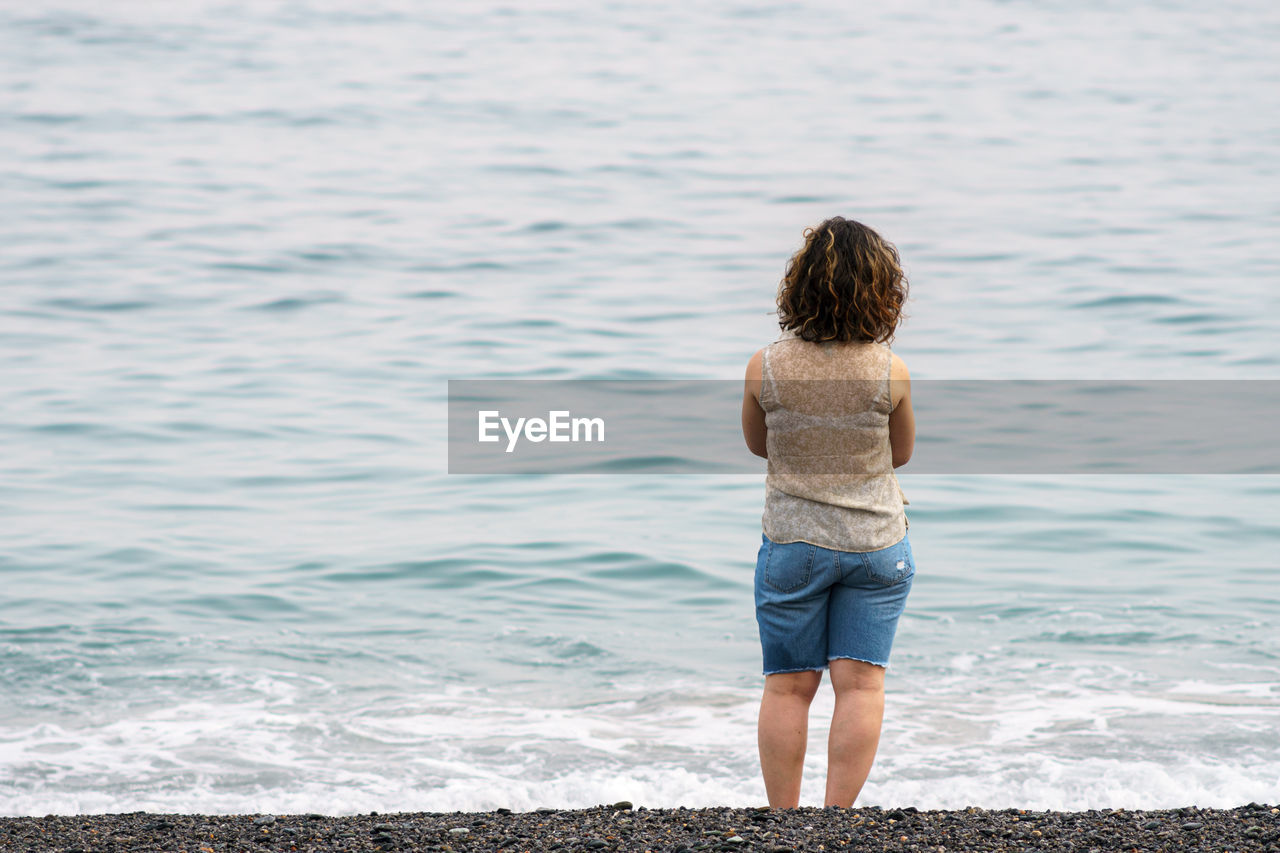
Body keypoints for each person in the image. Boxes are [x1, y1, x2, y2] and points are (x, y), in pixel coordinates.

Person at [740, 216, 916, 809]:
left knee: (788, 689)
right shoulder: (890, 370)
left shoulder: (764, 365)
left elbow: (759, 446)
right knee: (861, 683)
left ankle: (785, 820)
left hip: (794, 544)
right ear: (882, 292)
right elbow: (903, 454)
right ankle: (836, 820)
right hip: (877, 545)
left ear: (801, 287)